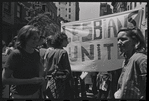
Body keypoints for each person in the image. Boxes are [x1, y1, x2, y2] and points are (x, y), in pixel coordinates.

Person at [2, 25, 45, 99]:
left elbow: (40, 69)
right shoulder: (16, 54)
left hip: (36, 94)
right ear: (25, 38)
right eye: (34, 38)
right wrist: (30, 81)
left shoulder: (36, 53)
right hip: (19, 95)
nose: (36, 41)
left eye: (38, 38)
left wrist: (41, 78)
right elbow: (5, 79)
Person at [114, 27, 147, 99]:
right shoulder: (126, 61)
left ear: (135, 41)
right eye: (118, 39)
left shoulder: (141, 59)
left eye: (123, 39)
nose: (119, 42)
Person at [44, 32, 74, 99]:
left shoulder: (49, 52)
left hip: (50, 81)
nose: (68, 42)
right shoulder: (63, 52)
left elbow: (46, 66)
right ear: (61, 41)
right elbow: (67, 69)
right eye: (66, 40)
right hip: (62, 82)